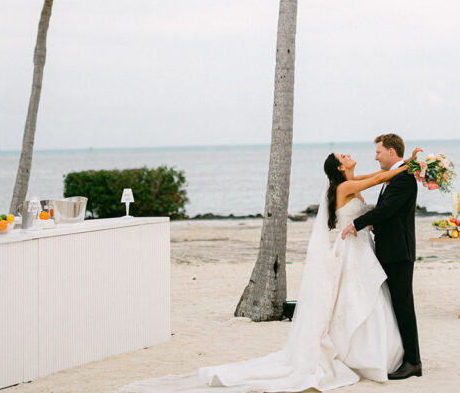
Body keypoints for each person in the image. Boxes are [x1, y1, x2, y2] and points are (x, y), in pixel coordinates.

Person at [119, 144, 422, 393]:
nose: (348, 154)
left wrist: (403, 165)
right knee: (354, 300)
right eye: (343, 156)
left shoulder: (350, 182)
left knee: (363, 300)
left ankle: (377, 353)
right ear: (341, 168)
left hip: (360, 249)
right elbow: (376, 180)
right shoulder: (347, 186)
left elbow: (375, 175)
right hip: (351, 249)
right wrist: (415, 166)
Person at [341, 134, 421, 380]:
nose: (375, 156)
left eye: (378, 152)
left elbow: (387, 210)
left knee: (403, 305)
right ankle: (401, 356)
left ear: (391, 152)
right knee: (394, 304)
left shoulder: (404, 179)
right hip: (389, 250)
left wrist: (358, 223)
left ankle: (413, 362)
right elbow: (387, 211)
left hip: (399, 252)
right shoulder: (396, 176)